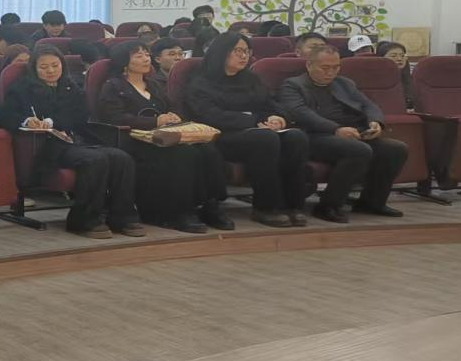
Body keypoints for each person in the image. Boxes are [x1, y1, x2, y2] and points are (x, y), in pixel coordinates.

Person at [0, 46, 144, 239]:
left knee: (121, 158)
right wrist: (26, 121)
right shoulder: (21, 89)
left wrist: (53, 122)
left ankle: (122, 218)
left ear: (62, 65)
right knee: (94, 160)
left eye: (55, 65)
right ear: (34, 69)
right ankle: (85, 220)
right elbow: (5, 115)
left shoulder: (71, 86)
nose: (51, 71)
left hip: (75, 139)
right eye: (44, 67)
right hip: (48, 146)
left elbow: (80, 116)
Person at [98, 42, 232, 233]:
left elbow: (172, 107)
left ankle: (210, 205)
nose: (146, 59)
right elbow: (114, 117)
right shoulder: (113, 86)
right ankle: (179, 212)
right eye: (139, 56)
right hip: (134, 140)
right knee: (183, 154)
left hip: (163, 138)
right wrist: (155, 121)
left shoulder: (153, 84)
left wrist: (174, 116)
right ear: (124, 61)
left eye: (146, 54)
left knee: (207, 149)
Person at [185, 32, 310, 228]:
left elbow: (270, 104)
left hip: (257, 131)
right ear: (222, 52)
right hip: (220, 136)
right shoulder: (201, 81)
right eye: (237, 51)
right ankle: (265, 207)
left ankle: (293, 206)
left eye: (246, 51)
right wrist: (255, 121)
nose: (243, 56)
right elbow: (210, 115)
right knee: (265, 138)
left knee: (296, 137)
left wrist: (277, 118)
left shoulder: (250, 78)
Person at [278, 46, 407, 222]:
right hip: (313, 136)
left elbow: (368, 105)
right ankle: (328, 206)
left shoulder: (344, 83)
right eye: (325, 68)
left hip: (351, 132)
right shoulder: (293, 85)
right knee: (358, 150)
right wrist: (336, 129)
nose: (331, 72)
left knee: (395, 149)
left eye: (336, 67)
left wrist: (375, 122)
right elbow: (301, 113)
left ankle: (372, 202)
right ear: (309, 65)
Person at [377, 42, 415, 109]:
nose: (399, 59)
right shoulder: (375, 80)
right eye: (393, 56)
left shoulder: (412, 79)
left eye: (402, 56)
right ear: (381, 58)